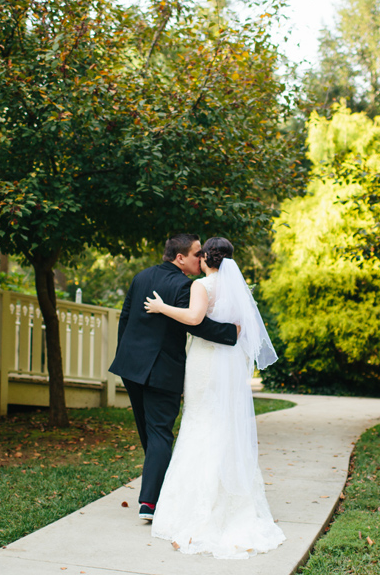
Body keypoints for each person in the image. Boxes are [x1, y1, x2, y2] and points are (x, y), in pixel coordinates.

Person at [144, 236, 285, 559]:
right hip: (227, 366)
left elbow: (194, 319)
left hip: (205, 363)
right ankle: (231, 504)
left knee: (198, 422)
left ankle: (195, 511)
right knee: (221, 423)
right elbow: (238, 330)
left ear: (205, 257)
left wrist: (162, 307)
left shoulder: (202, 285)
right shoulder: (238, 288)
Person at [108, 234, 239, 522]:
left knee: (150, 434)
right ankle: (150, 503)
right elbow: (199, 325)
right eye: (196, 254)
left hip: (130, 366)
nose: (201, 258)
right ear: (180, 258)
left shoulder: (141, 276)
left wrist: (126, 354)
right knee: (159, 435)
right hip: (162, 370)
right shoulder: (184, 285)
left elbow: (125, 317)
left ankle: (158, 488)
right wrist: (233, 333)